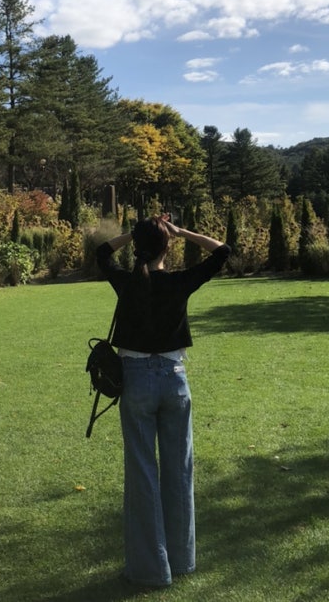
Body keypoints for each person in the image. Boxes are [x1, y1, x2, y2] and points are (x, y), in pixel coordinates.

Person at [96, 213, 230, 588]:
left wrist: (135, 234)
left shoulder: (128, 282)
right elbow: (223, 251)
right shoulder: (178, 282)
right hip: (174, 381)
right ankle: (181, 560)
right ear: (167, 247)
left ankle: (149, 570)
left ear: (138, 248)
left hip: (136, 381)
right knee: (179, 472)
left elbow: (102, 254)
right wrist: (180, 231)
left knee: (142, 476)